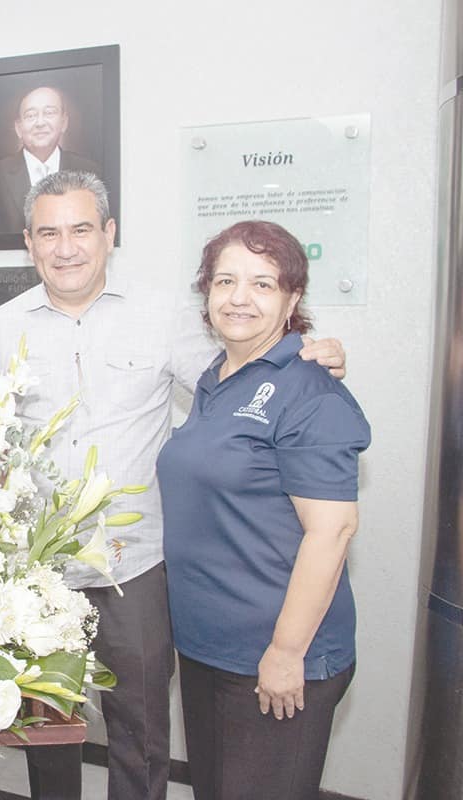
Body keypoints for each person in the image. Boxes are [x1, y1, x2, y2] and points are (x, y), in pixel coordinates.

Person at [0, 171, 346, 800]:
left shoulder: (164, 315)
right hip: (36, 572)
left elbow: (242, 385)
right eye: (50, 233)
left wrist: (308, 355)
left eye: (82, 229)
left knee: (139, 731)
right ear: (30, 244)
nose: (67, 248)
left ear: (109, 234)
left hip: (135, 565)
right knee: (45, 726)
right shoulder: (5, 327)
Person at [157, 220, 368, 799]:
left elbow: (333, 531)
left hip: (275, 657)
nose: (239, 297)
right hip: (208, 648)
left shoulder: (310, 392)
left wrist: (286, 652)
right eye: (225, 280)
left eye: (263, 283)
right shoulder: (216, 377)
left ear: (292, 297)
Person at [0, 86, 100, 235]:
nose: (40, 123)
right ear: (18, 128)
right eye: (31, 115)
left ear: (64, 122)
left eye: (49, 113)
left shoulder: (89, 171)